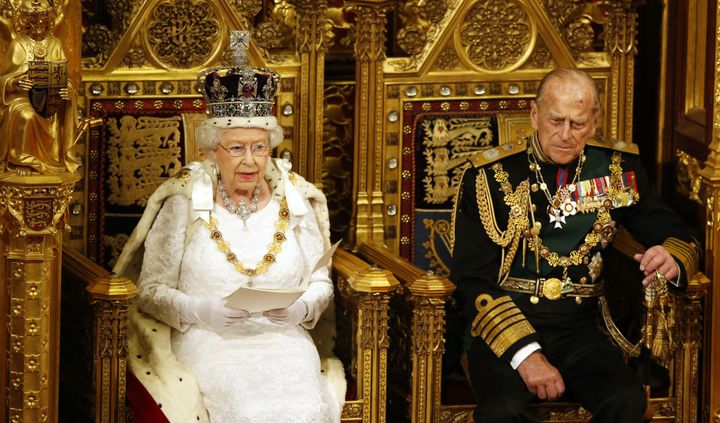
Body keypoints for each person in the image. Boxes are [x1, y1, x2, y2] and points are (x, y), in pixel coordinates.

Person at [112, 32, 341, 422]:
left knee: (301, 407)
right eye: (236, 148)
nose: (249, 161)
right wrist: (201, 311)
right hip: (208, 339)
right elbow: (150, 291)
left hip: (284, 342)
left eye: (259, 147)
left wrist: (301, 308)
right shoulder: (183, 202)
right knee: (248, 408)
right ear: (211, 150)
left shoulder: (296, 200)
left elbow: (322, 282)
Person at [450, 68, 699, 423]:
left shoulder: (615, 169)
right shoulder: (488, 176)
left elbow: (674, 233)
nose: (566, 135)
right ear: (535, 115)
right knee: (502, 411)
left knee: (627, 401)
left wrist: (670, 257)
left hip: (581, 330)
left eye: (577, 123)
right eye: (556, 120)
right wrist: (527, 356)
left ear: (594, 122)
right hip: (506, 329)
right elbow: (471, 277)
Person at [0, 0, 79, 173]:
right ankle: (20, 161)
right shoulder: (18, 44)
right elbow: (3, 79)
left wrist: (68, 90)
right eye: (33, 20)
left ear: (48, 21)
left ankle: (50, 161)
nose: (37, 25)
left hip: (49, 99)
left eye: (42, 20)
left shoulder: (55, 44)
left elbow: (64, 76)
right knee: (26, 115)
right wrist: (14, 82)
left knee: (47, 114)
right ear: (26, 22)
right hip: (21, 98)